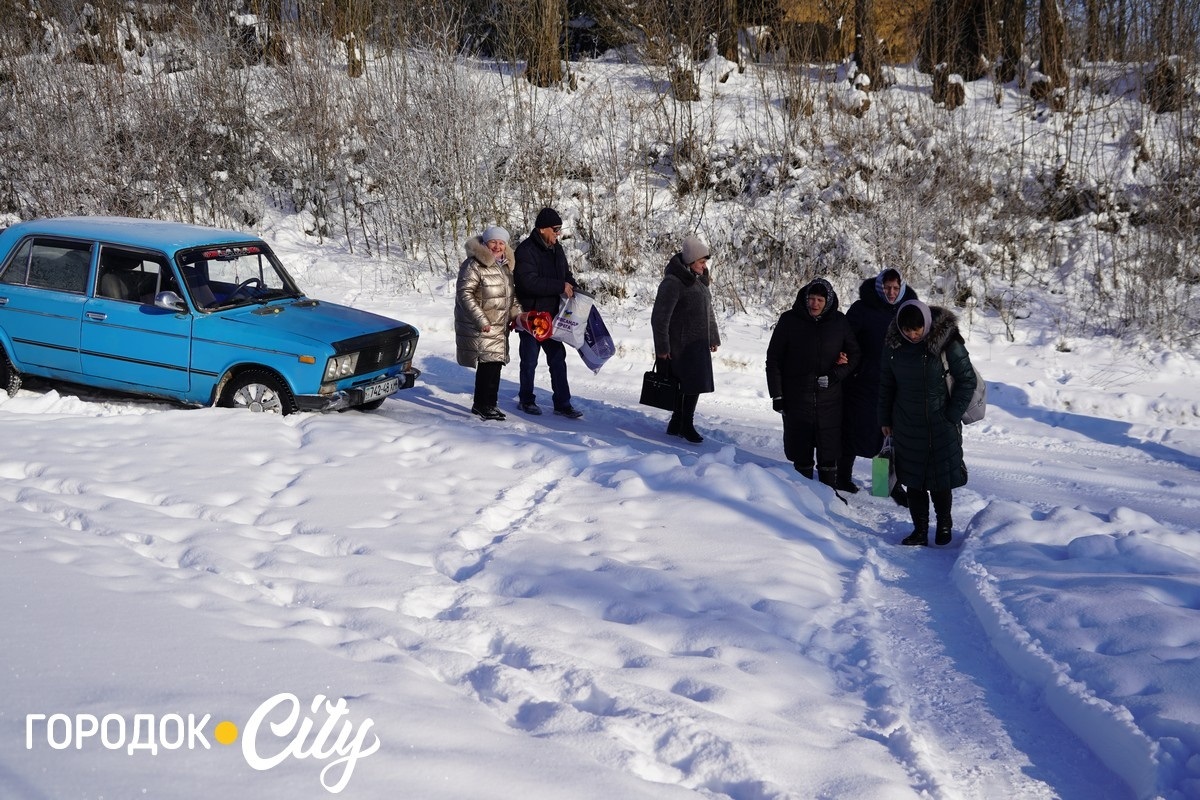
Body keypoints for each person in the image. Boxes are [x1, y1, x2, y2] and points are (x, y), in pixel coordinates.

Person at [879, 298, 977, 546]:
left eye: (917, 329)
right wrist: (884, 418)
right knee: (913, 480)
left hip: (941, 424)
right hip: (906, 423)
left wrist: (951, 415)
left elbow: (967, 380)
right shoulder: (893, 347)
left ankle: (944, 525)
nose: (913, 334)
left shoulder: (947, 343)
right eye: (907, 330)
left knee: (940, 478)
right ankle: (920, 530)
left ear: (926, 323)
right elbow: (886, 385)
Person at [766, 278, 860, 487]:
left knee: (828, 453)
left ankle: (829, 496)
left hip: (830, 401)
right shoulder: (789, 321)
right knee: (801, 453)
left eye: (819, 300)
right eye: (811, 299)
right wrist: (777, 395)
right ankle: (804, 497)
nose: (814, 304)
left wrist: (836, 375)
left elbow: (854, 355)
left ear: (828, 301)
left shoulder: (839, 322)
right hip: (797, 399)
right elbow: (773, 360)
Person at [839, 267, 918, 503]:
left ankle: (886, 484)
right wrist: (843, 356)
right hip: (863, 381)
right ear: (879, 287)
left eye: (896, 287)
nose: (892, 292)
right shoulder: (862, 309)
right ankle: (842, 477)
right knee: (853, 429)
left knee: (889, 436)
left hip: (897, 383)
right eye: (887, 287)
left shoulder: (910, 309)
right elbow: (845, 337)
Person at [651, 234, 721, 444]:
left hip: (698, 344)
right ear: (690, 261)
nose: (704, 265)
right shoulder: (673, 282)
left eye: (705, 261)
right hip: (680, 345)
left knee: (693, 385)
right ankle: (685, 424)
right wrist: (662, 348)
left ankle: (678, 422)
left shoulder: (699, 281)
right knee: (687, 385)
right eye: (701, 261)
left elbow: (708, 311)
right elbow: (659, 318)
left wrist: (713, 337)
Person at [513, 207, 582, 418]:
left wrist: (575, 288)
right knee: (529, 361)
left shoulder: (557, 249)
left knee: (558, 360)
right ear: (542, 229)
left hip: (553, 316)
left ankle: (563, 403)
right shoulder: (525, 250)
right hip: (532, 316)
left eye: (559, 229)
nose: (558, 233)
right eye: (555, 229)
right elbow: (528, 282)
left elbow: (566, 275)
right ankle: (526, 399)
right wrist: (560, 286)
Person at [455, 226, 522, 421]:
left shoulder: (505, 267)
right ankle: (482, 404)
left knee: (495, 364)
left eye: (501, 243)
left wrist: (518, 316)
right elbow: (464, 294)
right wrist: (481, 320)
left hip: (499, 326)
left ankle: (490, 404)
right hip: (483, 325)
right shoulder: (473, 265)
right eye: (493, 242)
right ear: (485, 243)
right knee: (487, 365)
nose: (497, 246)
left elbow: (511, 297)